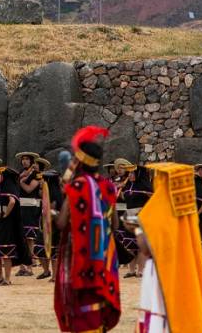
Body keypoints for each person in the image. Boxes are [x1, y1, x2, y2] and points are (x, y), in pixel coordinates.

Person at [53, 126, 121, 333]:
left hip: (80, 257)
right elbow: (115, 224)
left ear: (80, 162)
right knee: (98, 305)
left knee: (81, 310)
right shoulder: (109, 187)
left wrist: (51, 215)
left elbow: (62, 223)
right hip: (104, 256)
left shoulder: (76, 187)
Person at [136, 162, 202, 333]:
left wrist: (135, 229)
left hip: (160, 271)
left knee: (159, 312)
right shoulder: (187, 208)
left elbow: (146, 247)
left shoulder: (158, 206)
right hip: (185, 268)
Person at [0, 167, 31, 285]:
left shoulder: (9, 186)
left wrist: (6, 214)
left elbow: (12, 201)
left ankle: (7, 279)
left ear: (5, 176)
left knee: (6, 250)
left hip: (5, 222)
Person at [15, 151, 47, 277]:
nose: (24, 161)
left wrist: (21, 181)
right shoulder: (20, 173)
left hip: (31, 207)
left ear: (32, 161)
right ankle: (22, 266)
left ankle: (30, 267)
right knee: (20, 237)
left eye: (27, 159)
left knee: (29, 238)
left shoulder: (37, 174)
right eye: (23, 159)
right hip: (20, 206)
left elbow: (29, 189)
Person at [123, 165, 154, 277]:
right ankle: (131, 270)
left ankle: (140, 270)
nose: (130, 175)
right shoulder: (127, 186)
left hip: (141, 216)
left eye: (132, 173)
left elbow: (153, 200)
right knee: (130, 244)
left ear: (139, 174)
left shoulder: (145, 187)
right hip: (129, 216)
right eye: (129, 173)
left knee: (140, 244)